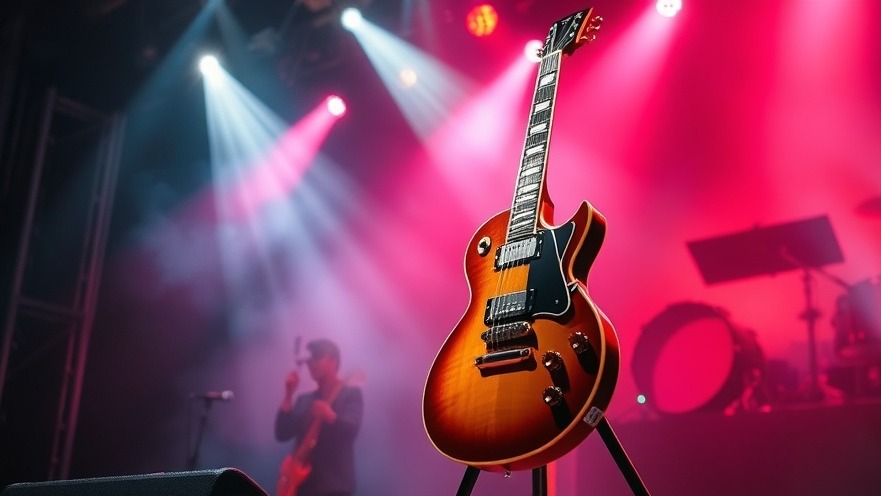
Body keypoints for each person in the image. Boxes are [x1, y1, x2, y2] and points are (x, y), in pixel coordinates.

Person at [275, 339, 363, 496]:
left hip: (333, 487)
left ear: (334, 361)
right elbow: (282, 433)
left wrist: (330, 416)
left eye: (318, 357)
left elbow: (352, 429)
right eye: (310, 360)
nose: (312, 363)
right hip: (303, 487)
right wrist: (288, 394)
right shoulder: (305, 400)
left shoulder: (350, 394)